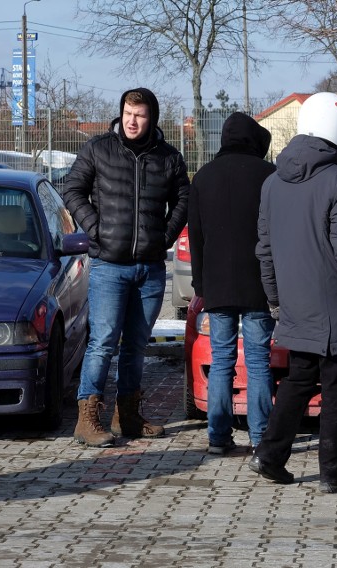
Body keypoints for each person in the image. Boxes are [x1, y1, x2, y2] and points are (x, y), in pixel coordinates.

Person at [250, 92, 337, 494]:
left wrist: (274, 298)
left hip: (294, 301)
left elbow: (264, 249)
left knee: (298, 381)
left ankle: (270, 457)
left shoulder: (271, 183)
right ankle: (334, 473)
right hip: (333, 304)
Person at [64, 88, 189, 447]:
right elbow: (73, 188)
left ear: (152, 118)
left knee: (135, 344)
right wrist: (94, 227)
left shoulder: (168, 157)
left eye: (140, 114)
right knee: (103, 342)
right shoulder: (98, 149)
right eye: (128, 113)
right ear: (121, 114)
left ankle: (128, 416)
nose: (133, 121)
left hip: (149, 268)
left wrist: (165, 234)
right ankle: (87, 418)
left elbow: (184, 197)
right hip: (108, 265)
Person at [187, 112, 277, 455]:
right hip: (258, 283)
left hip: (217, 284)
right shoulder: (269, 176)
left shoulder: (204, 177)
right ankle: (260, 438)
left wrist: (200, 283)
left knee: (222, 359)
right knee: (257, 361)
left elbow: (195, 235)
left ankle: (218, 437)